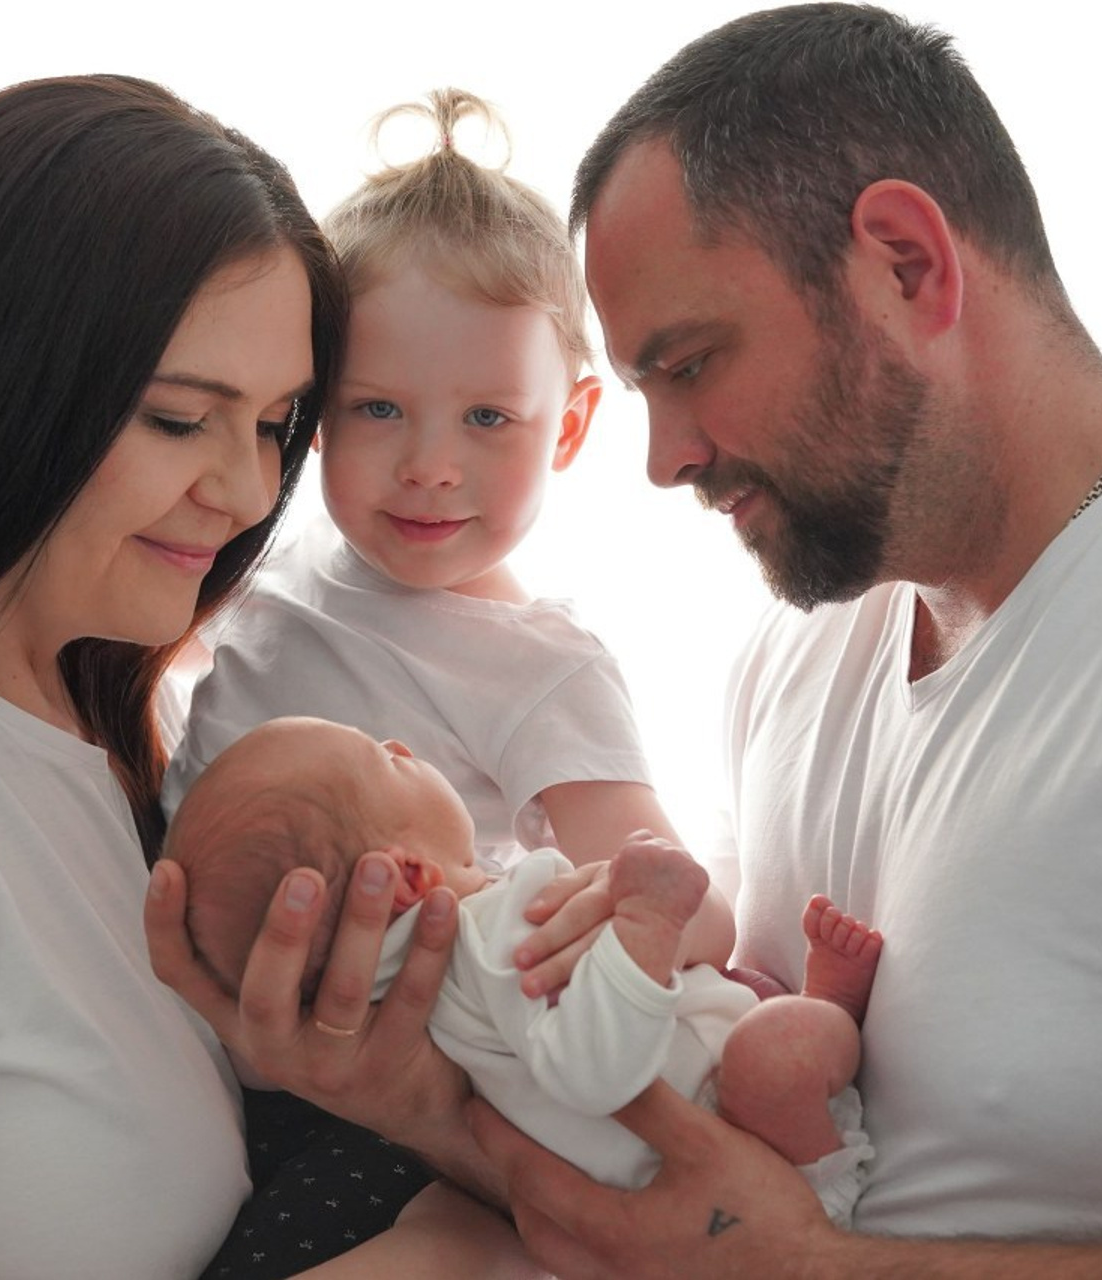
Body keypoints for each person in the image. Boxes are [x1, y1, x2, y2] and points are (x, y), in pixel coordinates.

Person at [0, 74, 536, 1280]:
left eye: (273, 425)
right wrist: (446, 1252)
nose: (250, 492)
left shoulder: (130, 742)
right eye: (176, 419)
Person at [462, 3, 1102, 1276]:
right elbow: (720, 1152)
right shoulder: (796, 653)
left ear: (904, 264)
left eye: (688, 363)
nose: (663, 459)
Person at [163, 89, 732, 967]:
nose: (430, 466)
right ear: (316, 414)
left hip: (407, 1049)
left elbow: (693, 920)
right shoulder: (270, 572)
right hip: (205, 1030)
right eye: (380, 407)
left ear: (569, 429)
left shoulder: (541, 669)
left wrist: (511, 909)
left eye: (488, 419)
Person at [165, 714, 881, 1227]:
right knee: (778, 1047)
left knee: (748, 1003)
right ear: (409, 874)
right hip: (757, 1158)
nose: (399, 743)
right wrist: (646, 925)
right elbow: (595, 1073)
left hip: (655, 1183)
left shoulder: (405, 1011)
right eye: (384, 760)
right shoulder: (489, 932)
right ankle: (832, 1058)